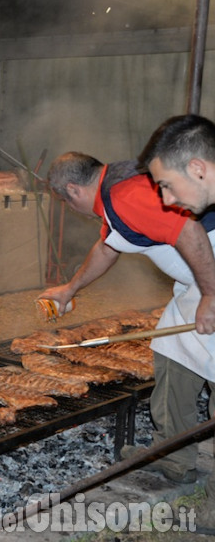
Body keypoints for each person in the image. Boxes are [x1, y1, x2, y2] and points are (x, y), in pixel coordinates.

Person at [39, 148, 215, 493]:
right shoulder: (117, 187)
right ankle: (174, 455)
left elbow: (189, 232)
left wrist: (210, 295)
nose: (72, 209)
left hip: (210, 278)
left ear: (73, 190)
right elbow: (108, 246)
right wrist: (69, 288)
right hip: (197, 282)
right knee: (172, 350)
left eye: (67, 202)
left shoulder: (125, 196)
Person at [136, 113, 215, 531]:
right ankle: (177, 461)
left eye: (166, 185)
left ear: (198, 169)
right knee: (172, 347)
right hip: (198, 304)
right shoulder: (201, 204)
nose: (165, 200)